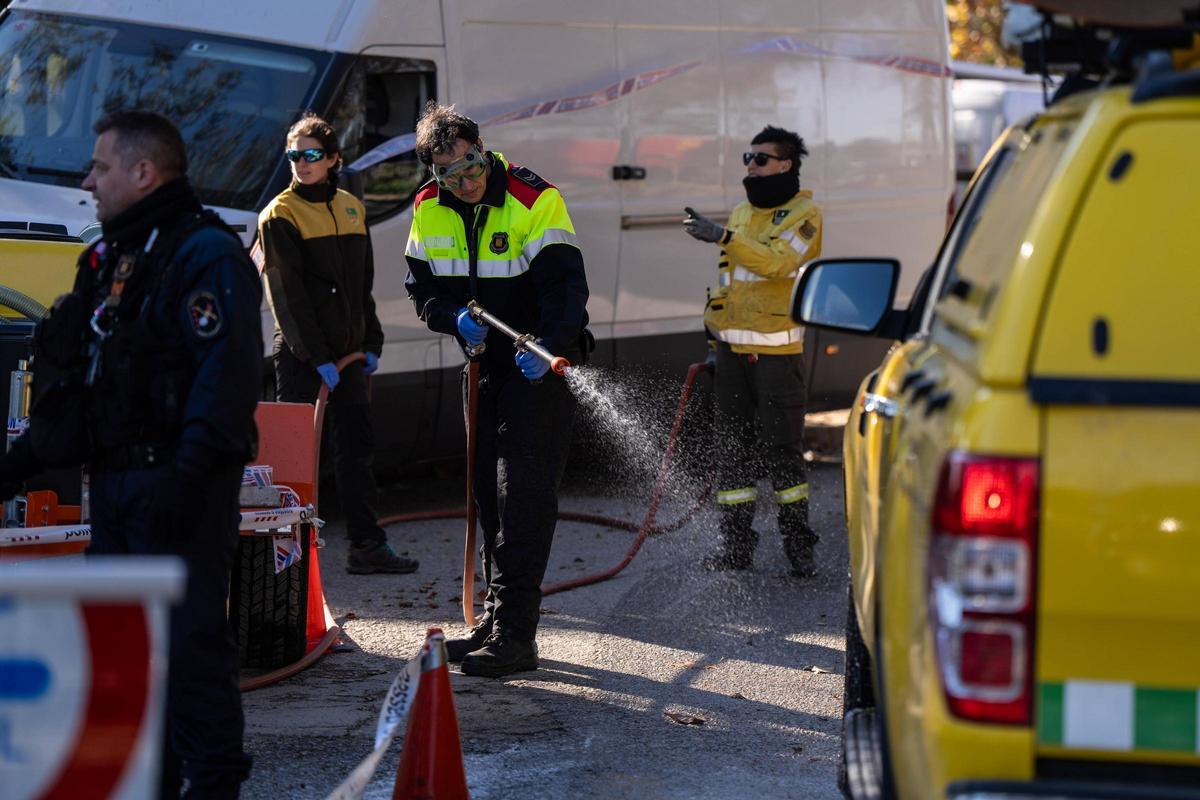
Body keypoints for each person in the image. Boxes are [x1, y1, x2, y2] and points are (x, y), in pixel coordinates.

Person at [0, 109, 258, 797]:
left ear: (143, 173)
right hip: (115, 491)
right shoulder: (110, 258)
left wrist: (187, 479)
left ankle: (213, 785)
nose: (88, 180)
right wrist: (19, 466)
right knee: (125, 659)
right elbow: (85, 385)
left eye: (101, 167)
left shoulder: (206, 255)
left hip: (179, 492)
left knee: (191, 649)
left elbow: (225, 383)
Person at [404, 103, 589, 678]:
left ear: (483, 148)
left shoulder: (535, 199)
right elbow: (421, 288)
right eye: (451, 173)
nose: (467, 179)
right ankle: (492, 619)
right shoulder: (428, 209)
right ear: (433, 176)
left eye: (472, 163)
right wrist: (450, 317)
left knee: (523, 498)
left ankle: (516, 637)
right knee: (488, 491)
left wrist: (547, 347)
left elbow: (566, 290)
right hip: (484, 369)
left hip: (538, 364)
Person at [257, 112, 417, 575]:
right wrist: (316, 357)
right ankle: (288, 556)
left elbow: (360, 286)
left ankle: (366, 546)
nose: (300, 164)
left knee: (356, 449)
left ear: (332, 159)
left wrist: (372, 342)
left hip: (348, 354)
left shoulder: (351, 206)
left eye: (310, 155)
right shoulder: (280, 214)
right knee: (298, 458)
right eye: (293, 155)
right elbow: (287, 298)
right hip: (304, 354)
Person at [683, 125, 823, 578]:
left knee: (783, 451)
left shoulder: (805, 216)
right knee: (734, 451)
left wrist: (724, 236)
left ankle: (799, 547)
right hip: (731, 354)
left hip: (778, 356)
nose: (751, 165)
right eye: (748, 156)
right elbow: (728, 286)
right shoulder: (743, 211)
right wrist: (712, 343)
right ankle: (736, 546)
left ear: (785, 164)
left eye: (761, 158)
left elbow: (778, 263)